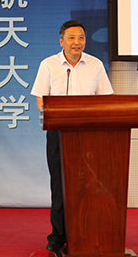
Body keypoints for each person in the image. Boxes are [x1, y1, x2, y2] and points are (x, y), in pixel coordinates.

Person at [31, 20, 114, 253]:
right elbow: (40, 99)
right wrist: (58, 116)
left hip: (89, 134)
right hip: (58, 132)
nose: (77, 42)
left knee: (89, 185)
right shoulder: (48, 65)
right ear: (61, 41)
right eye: (71, 38)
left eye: (81, 38)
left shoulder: (95, 65)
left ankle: (87, 231)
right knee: (60, 185)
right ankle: (58, 236)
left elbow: (105, 98)